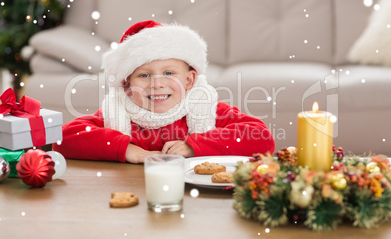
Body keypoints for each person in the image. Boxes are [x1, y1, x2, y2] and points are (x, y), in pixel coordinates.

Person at [53, 20, 275, 163]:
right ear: (126, 85)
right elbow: (63, 139)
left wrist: (194, 145)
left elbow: (262, 138)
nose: (156, 84)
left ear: (189, 80)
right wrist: (127, 150)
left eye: (169, 73)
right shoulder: (119, 112)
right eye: (144, 75)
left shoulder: (204, 105)